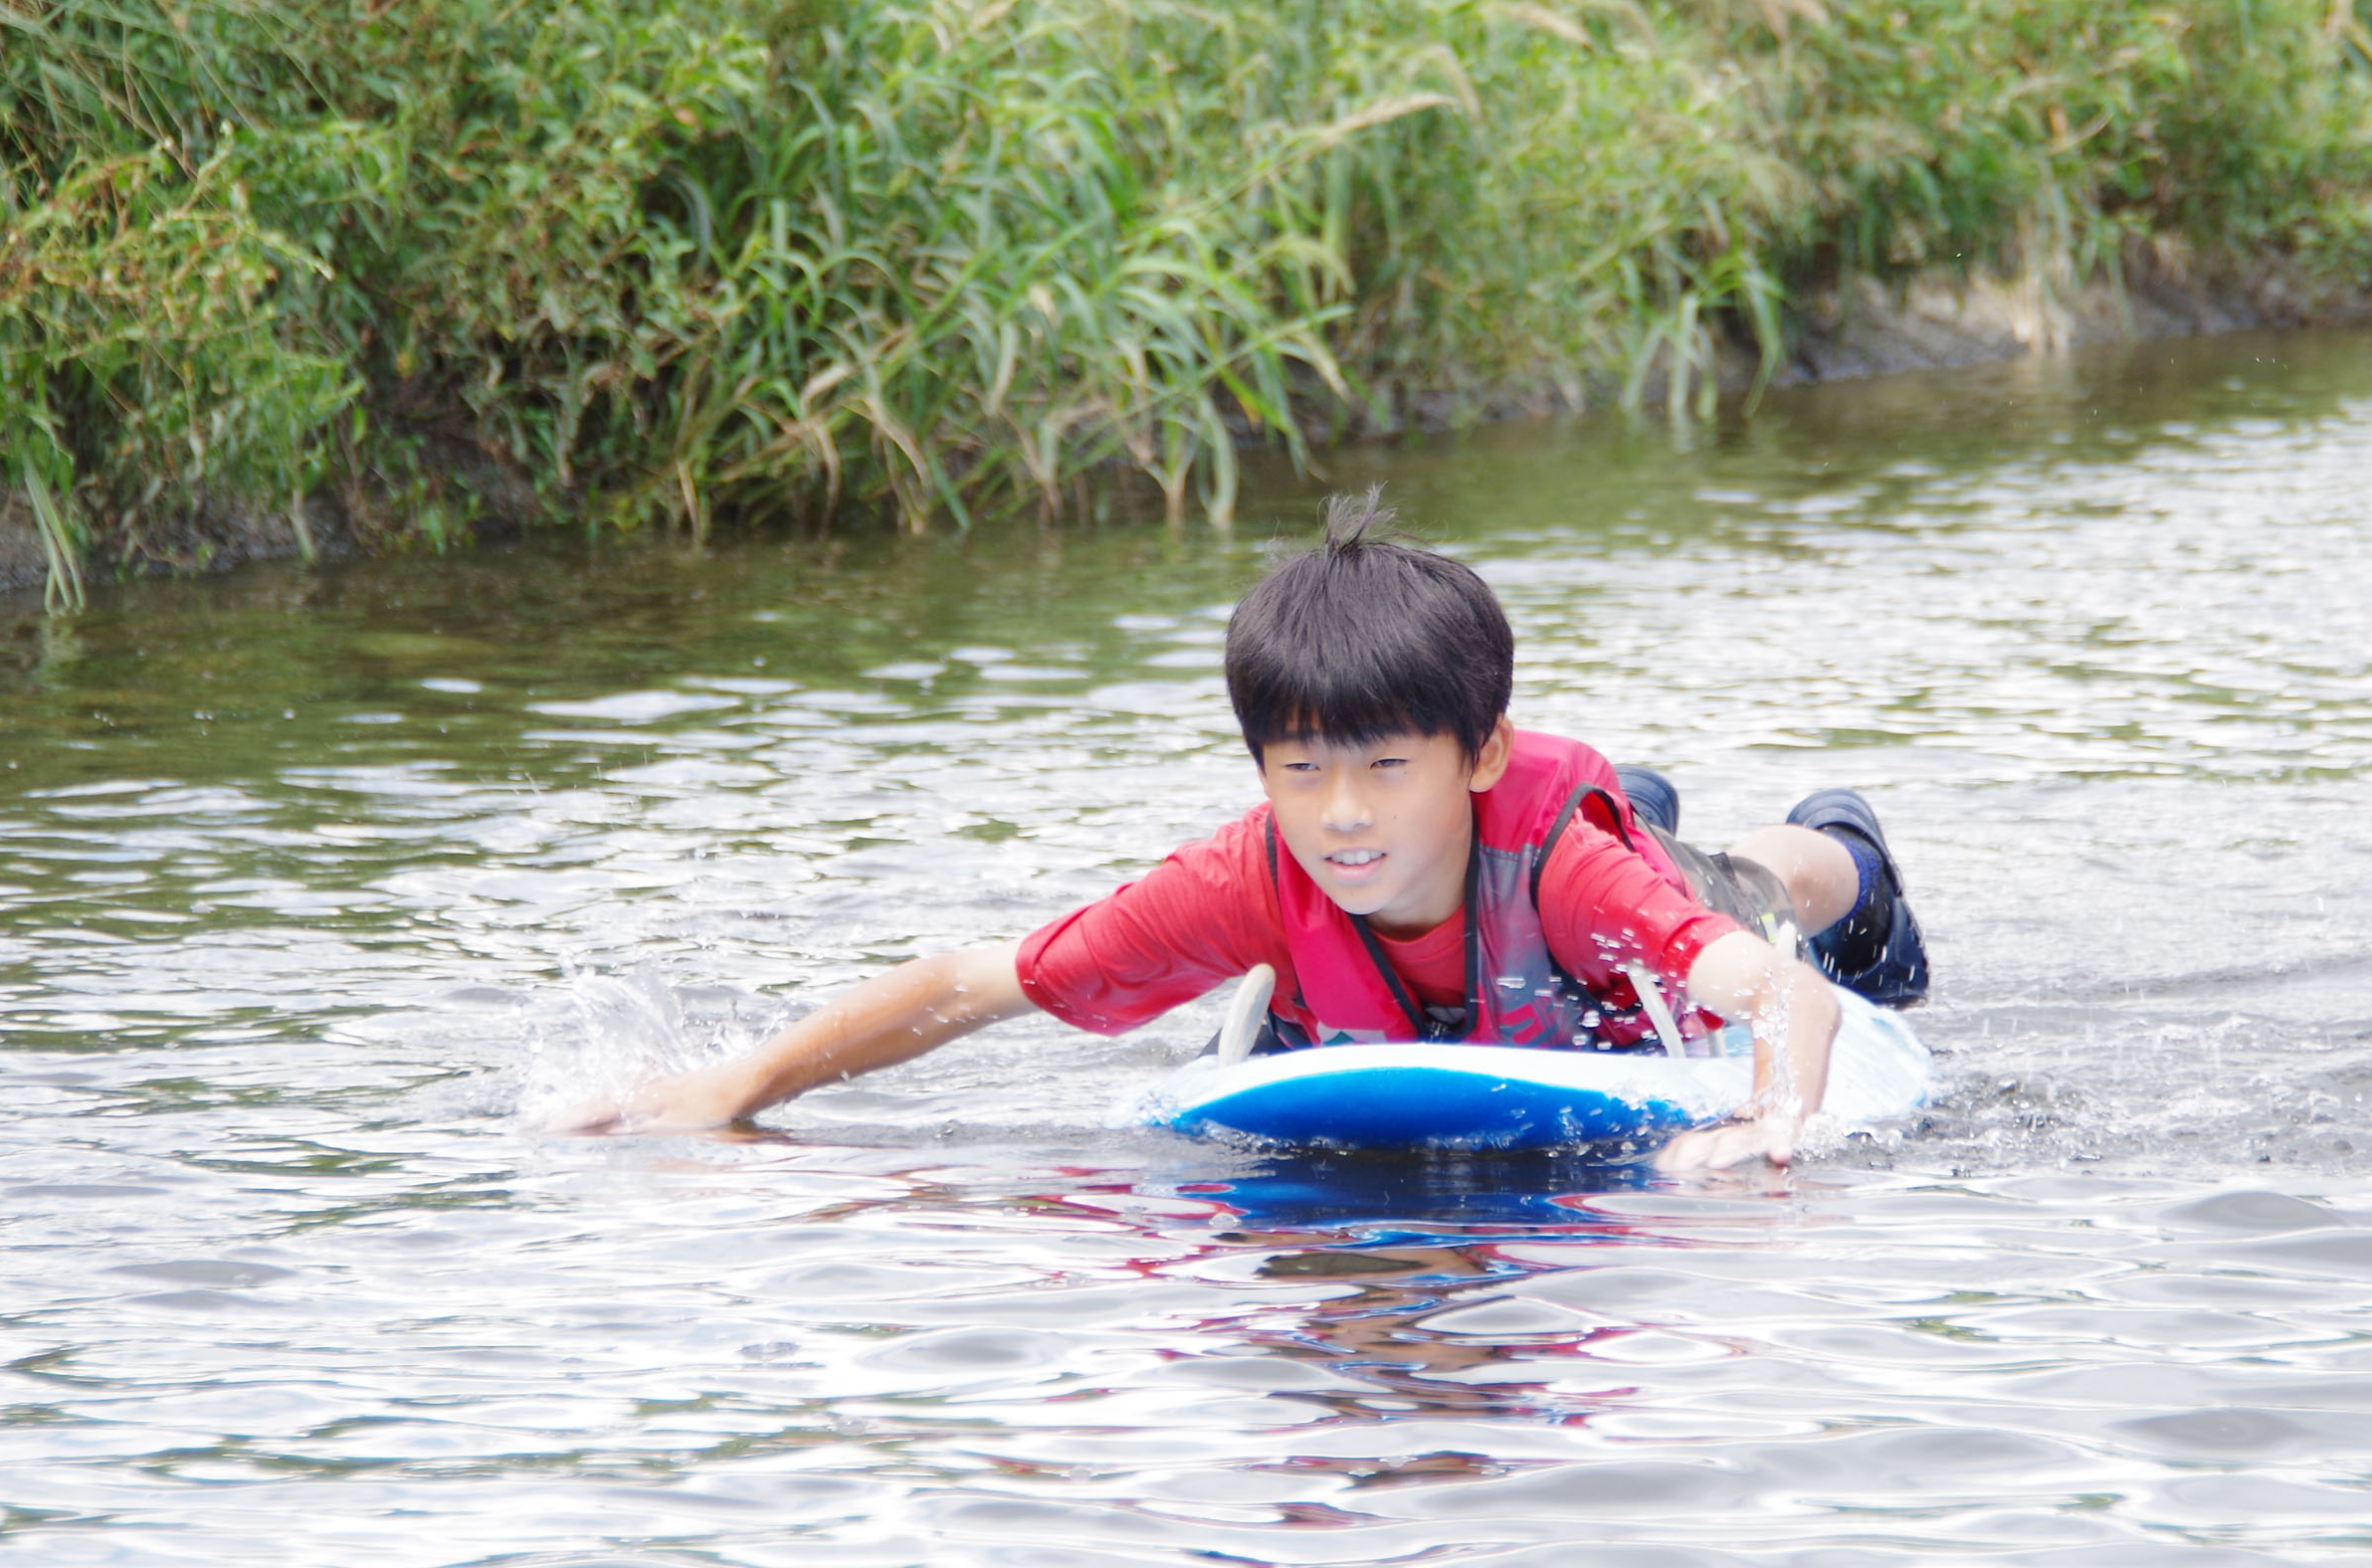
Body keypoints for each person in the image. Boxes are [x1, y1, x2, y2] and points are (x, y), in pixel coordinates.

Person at [575, 490, 1927, 1169]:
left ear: (1474, 756)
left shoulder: (1559, 865)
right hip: (1493, 887)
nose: (1340, 814)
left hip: (1571, 880)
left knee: (1753, 886)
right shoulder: (1249, 877)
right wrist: (734, 1090)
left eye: (1386, 768)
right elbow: (971, 985)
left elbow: (1783, 1003)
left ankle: (1848, 846)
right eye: (1299, 770)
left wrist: (1771, 1133)